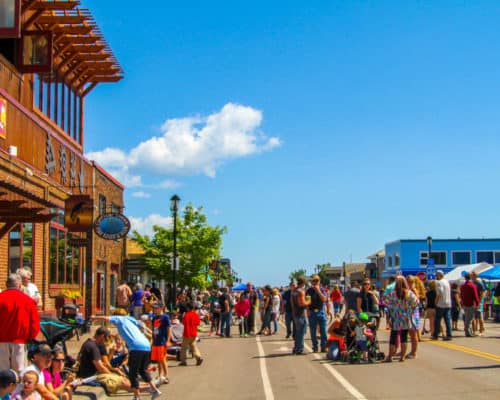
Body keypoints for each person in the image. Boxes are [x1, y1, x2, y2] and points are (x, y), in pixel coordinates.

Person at [90, 317, 161, 400]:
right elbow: (142, 325)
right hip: (146, 346)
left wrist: (94, 317)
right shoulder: (130, 319)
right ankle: (155, 390)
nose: (113, 324)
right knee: (142, 370)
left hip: (136, 347)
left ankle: (137, 397)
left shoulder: (119, 319)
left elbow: (106, 318)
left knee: (132, 373)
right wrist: (149, 332)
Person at [0, 274, 40, 374]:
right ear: (19, 285)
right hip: (20, 341)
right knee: (19, 371)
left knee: (2, 372)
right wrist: (31, 337)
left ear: (6, 284)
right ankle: (17, 389)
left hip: (1, 340)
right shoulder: (28, 300)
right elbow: (34, 323)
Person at [76, 327, 133, 396]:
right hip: (91, 377)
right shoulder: (92, 347)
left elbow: (104, 363)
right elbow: (101, 367)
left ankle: (146, 386)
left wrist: (114, 370)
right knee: (120, 381)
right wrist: (112, 375)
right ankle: (146, 387)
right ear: (102, 336)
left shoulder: (89, 343)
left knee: (123, 379)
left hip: (92, 374)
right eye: (106, 337)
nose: (107, 340)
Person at [384, 276, 418, 362]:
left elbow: (387, 304)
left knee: (393, 338)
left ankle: (390, 356)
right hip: (405, 318)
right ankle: (402, 356)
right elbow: (416, 302)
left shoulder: (392, 294)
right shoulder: (409, 293)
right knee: (404, 337)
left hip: (395, 318)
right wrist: (410, 310)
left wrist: (392, 311)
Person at [306, 275, 328, 353]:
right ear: (311, 282)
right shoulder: (309, 290)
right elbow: (308, 302)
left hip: (321, 311)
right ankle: (315, 347)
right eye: (313, 281)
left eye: (317, 280)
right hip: (312, 313)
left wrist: (318, 291)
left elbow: (324, 299)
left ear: (319, 281)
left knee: (324, 331)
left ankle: (323, 346)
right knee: (313, 331)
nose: (315, 282)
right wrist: (307, 310)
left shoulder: (322, 289)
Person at [150, 302, 170, 385]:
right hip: (156, 341)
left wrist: (168, 340)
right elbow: (153, 330)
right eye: (154, 308)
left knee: (163, 359)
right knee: (158, 359)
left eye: (156, 308)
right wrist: (152, 341)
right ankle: (160, 375)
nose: (155, 309)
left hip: (162, 341)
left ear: (161, 308)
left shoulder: (165, 317)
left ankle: (166, 376)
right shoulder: (154, 318)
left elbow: (169, 329)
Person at [290, 276, 311, 355]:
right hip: (301, 314)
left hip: (295, 313)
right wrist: (308, 301)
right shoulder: (301, 291)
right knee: (301, 333)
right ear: (303, 283)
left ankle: (296, 348)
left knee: (298, 332)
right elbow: (302, 303)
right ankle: (299, 349)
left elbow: (292, 303)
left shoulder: (293, 291)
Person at [433, 270, 452, 341]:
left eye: (436, 275)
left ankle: (436, 334)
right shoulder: (447, 282)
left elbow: (439, 293)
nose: (436, 276)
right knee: (447, 320)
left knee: (438, 320)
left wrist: (436, 302)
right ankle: (449, 334)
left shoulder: (439, 282)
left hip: (441, 303)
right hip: (448, 303)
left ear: (439, 275)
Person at [460, 273, 479, 337]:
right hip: (471, 304)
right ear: (470, 278)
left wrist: (462, 303)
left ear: (465, 278)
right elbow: (475, 295)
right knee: (469, 319)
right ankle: (468, 332)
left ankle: (468, 331)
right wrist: (477, 303)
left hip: (465, 304)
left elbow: (461, 295)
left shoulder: (462, 286)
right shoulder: (472, 286)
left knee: (467, 318)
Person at [470, 271, 486, 336]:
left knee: (479, 317)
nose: (470, 276)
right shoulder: (473, 282)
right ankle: (474, 330)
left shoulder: (478, 283)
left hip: (478, 302)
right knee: (474, 317)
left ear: (474, 276)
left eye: (471, 275)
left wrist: (479, 302)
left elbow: (483, 292)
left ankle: (481, 331)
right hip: (474, 302)